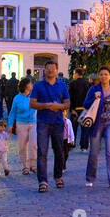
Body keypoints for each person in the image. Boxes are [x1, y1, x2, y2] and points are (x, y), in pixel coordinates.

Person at [30, 61, 71, 192]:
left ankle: (58, 176)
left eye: (53, 69)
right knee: (42, 152)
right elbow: (32, 103)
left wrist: (57, 106)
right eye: (48, 69)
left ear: (56, 70)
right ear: (44, 70)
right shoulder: (38, 85)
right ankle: (43, 181)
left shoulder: (62, 85)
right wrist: (46, 106)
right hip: (43, 122)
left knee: (59, 151)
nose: (50, 71)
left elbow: (67, 103)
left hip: (58, 122)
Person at [81, 66, 110, 189]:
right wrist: (94, 98)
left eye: (106, 74)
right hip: (96, 124)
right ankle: (90, 178)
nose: (103, 77)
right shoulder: (93, 89)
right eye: (101, 74)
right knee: (94, 152)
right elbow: (85, 104)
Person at [12, 77, 37, 175]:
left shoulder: (34, 96)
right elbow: (12, 113)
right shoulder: (17, 98)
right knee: (22, 146)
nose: (32, 85)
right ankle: (24, 166)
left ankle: (32, 165)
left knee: (34, 144)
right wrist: (10, 126)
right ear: (26, 86)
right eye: (31, 83)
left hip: (33, 123)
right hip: (21, 124)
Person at [68, 68, 91, 152]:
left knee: (73, 128)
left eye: (74, 73)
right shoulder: (87, 84)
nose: (73, 75)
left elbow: (69, 97)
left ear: (77, 74)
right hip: (85, 109)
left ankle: (71, 145)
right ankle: (84, 147)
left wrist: (71, 109)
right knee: (85, 129)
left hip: (75, 109)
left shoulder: (72, 84)